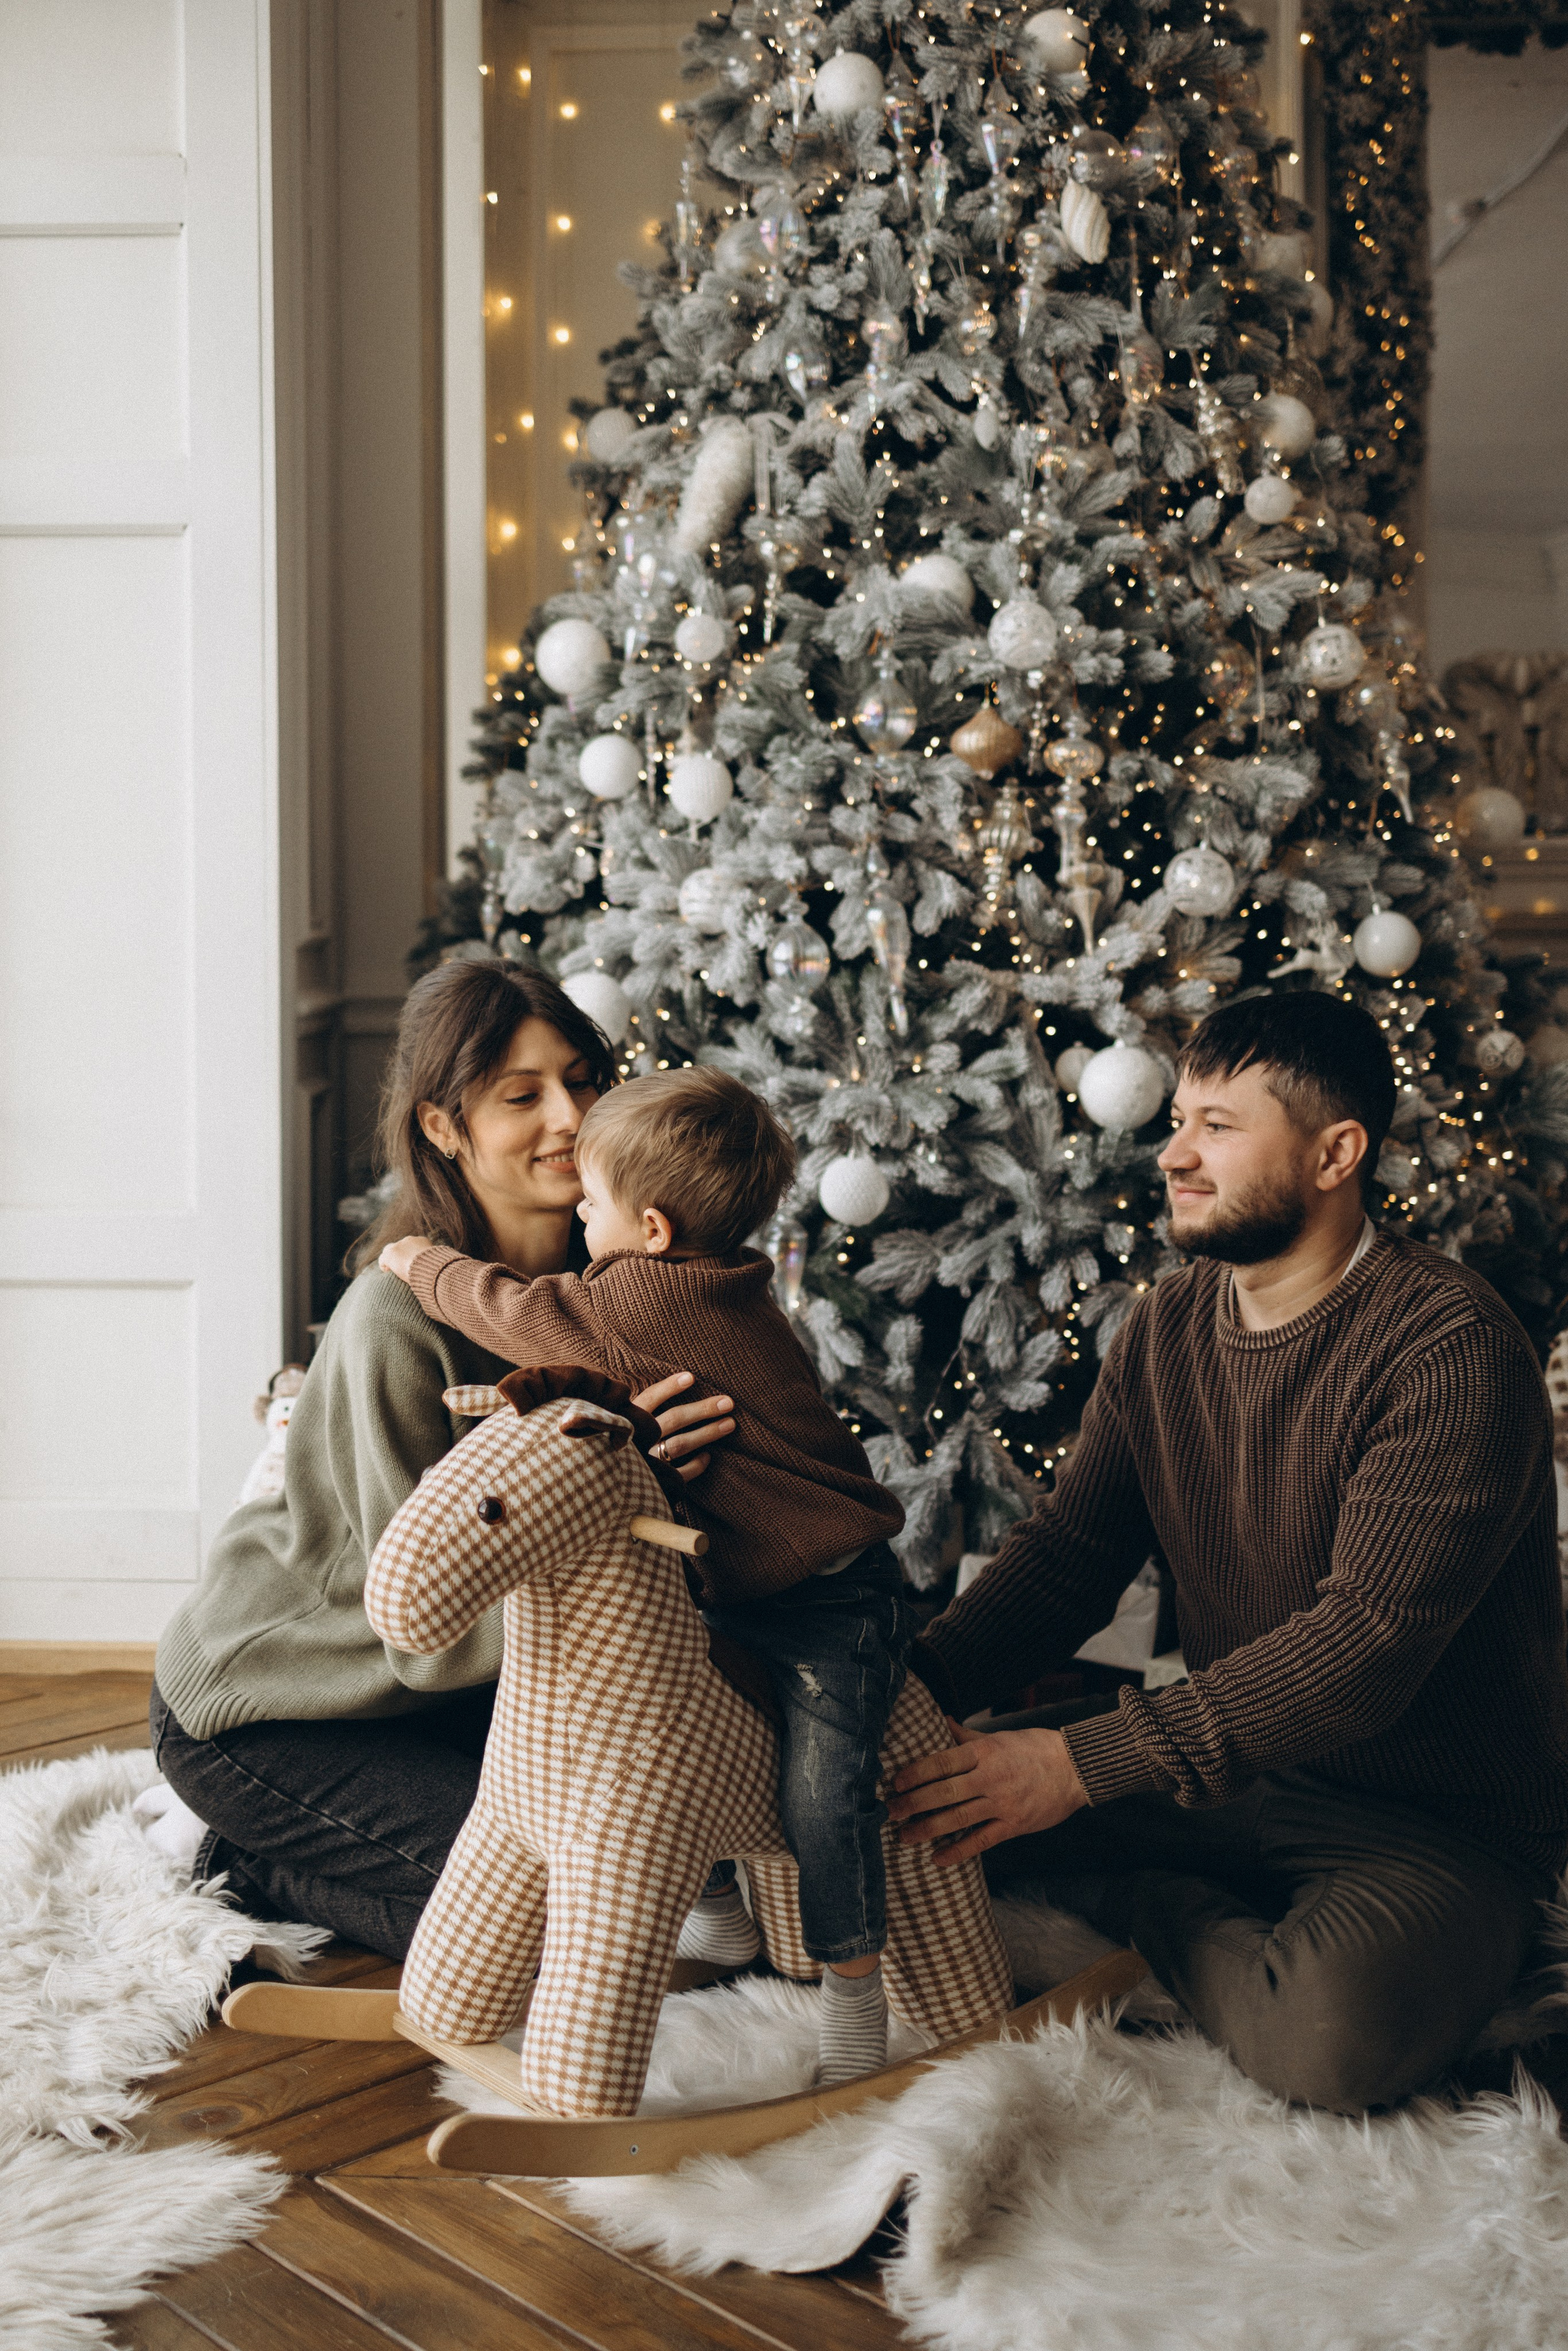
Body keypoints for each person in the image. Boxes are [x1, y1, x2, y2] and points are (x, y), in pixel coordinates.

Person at [888, 991, 1568, 2116]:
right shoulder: (1165, 1325)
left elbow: (1361, 1648)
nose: (1175, 1152)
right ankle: (1174, 1877)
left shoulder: (1450, 1348)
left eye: (1219, 1124)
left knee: (1329, 2044)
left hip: (1436, 1824)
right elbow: (1069, 1553)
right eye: (1180, 1119)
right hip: (1233, 1768)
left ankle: (1148, 1898)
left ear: (1335, 1152)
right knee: (909, 1812)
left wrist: (1072, 1772)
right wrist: (917, 1687)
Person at [143, 962, 734, 1961]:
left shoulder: (629, 1285)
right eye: (522, 1095)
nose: (572, 1117)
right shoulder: (396, 1318)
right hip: (278, 1707)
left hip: (470, 1699)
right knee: (596, 1936)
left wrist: (684, 1478)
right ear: (442, 1127)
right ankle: (237, 1857)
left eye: (584, 1080)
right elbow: (423, 1630)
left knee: (686, 1894)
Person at [379, 1065, 910, 2085]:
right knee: (663, 1719)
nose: (577, 1208)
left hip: (833, 1600)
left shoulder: (644, 1297)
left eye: (592, 1198)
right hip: (737, 1588)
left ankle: (855, 1984)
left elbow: (522, 1315)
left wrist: (421, 1262)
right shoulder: (719, 1278)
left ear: (654, 1231)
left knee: (821, 1795)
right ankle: (715, 1911)